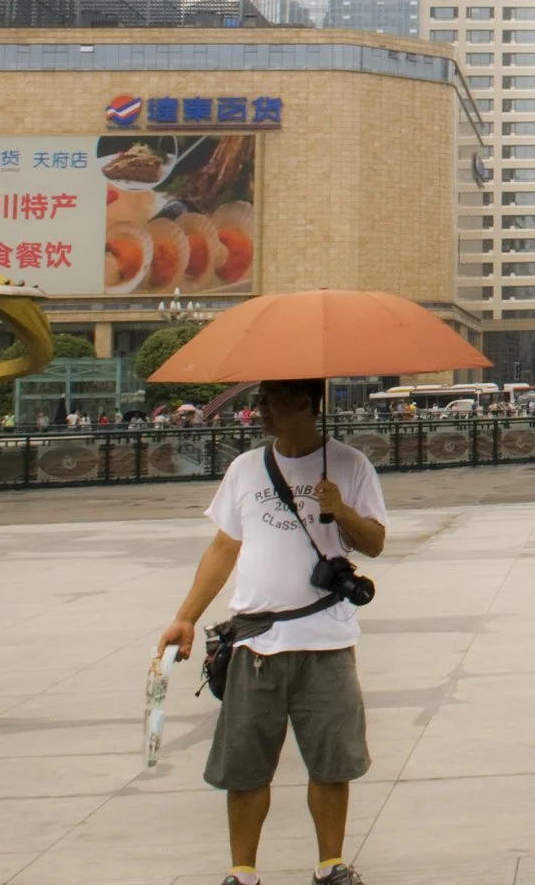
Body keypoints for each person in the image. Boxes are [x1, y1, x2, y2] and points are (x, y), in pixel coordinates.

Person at [157, 379, 388, 885]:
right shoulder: (245, 468)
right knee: (244, 766)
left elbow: (374, 542)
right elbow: (224, 548)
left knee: (332, 760)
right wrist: (185, 617)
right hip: (256, 642)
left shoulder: (350, 465)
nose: (259, 411)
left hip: (326, 641)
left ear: (305, 404)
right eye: (259, 401)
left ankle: (330, 865)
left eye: (270, 402)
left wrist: (341, 509)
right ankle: (242, 871)